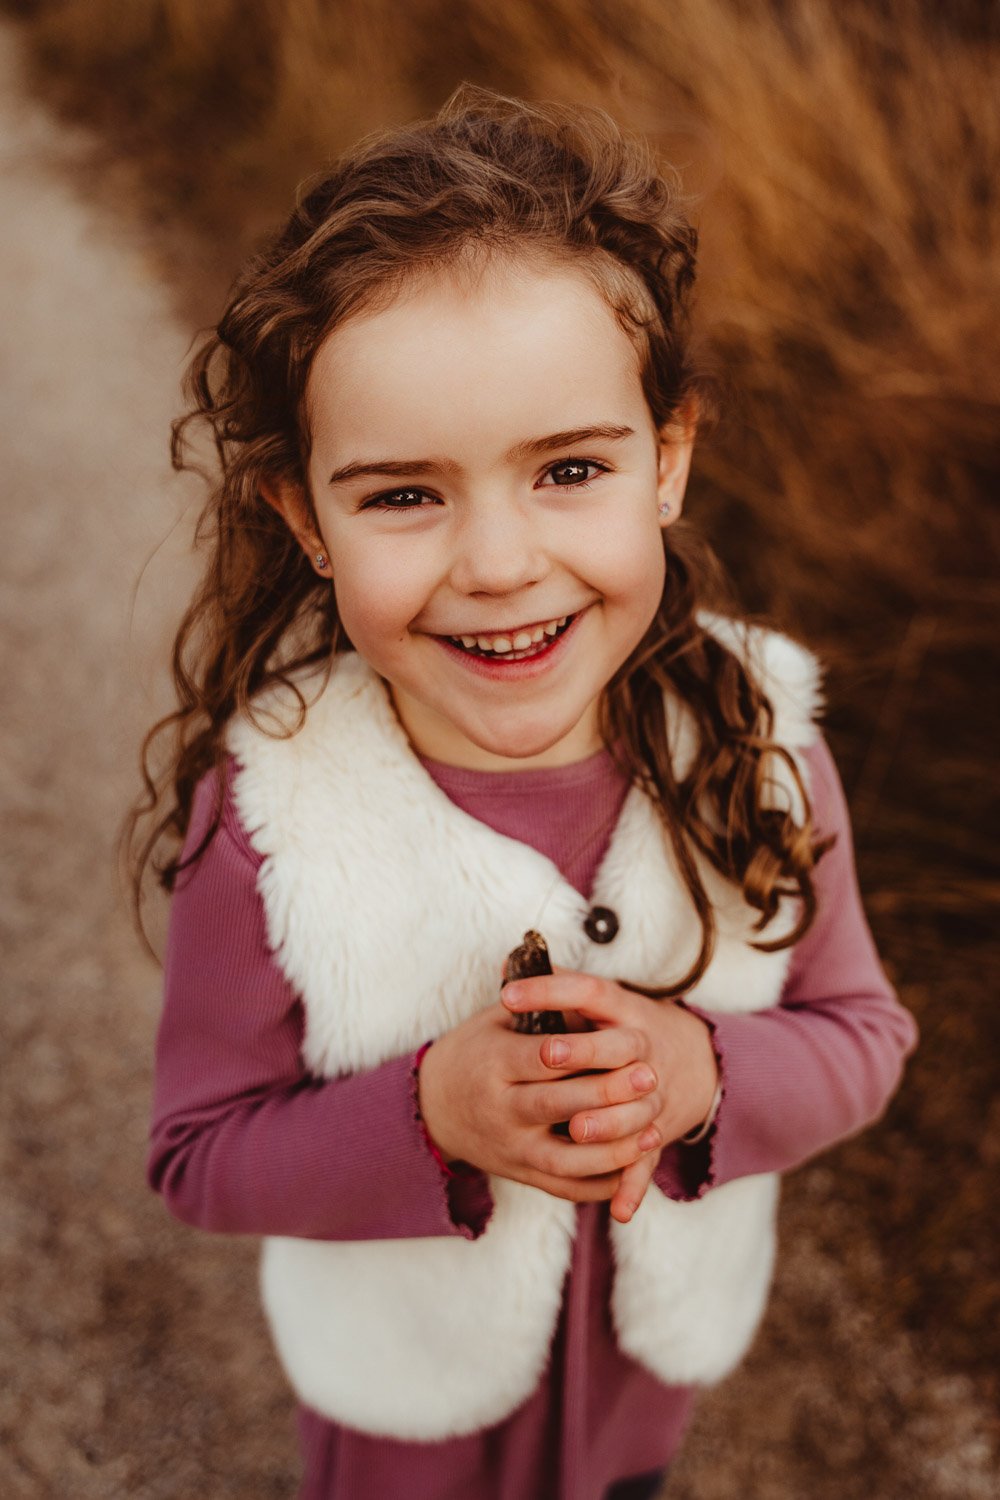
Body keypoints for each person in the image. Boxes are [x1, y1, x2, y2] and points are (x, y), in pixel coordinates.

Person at [134, 86, 918, 1500]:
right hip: (400, 1430)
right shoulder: (272, 817)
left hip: (636, 1410)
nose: (499, 562)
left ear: (666, 460)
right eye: (403, 496)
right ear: (306, 518)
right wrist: (429, 1111)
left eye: (569, 469)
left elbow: (864, 1034)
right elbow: (198, 1154)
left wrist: (702, 1073)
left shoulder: (761, 748)